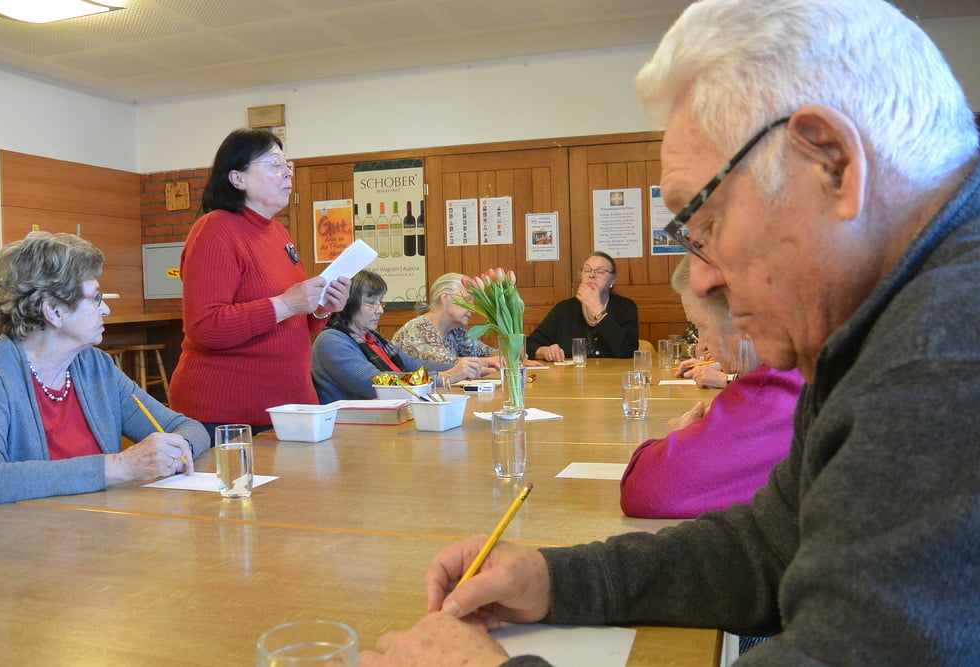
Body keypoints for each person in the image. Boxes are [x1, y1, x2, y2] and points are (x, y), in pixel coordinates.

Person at [359, 0, 980, 664]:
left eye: (705, 225)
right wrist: (558, 579)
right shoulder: (881, 319)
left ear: (831, 163)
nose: (702, 280)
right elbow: (769, 545)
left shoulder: (942, 352)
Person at [0, 232, 208, 510]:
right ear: (54, 311)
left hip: (102, 528)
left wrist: (178, 450)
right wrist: (120, 467)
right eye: (96, 298)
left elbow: (189, 428)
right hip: (27, 533)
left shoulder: (95, 366)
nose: (106, 309)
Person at [168, 129, 350, 438]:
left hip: (287, 407)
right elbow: (205, 327)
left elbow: (295, 324)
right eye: (274, 164)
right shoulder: (215, 230)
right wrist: (285, 304)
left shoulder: (277, 232)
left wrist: (322, 307)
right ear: (238, 179)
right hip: (228, 416)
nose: (288, 172)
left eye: (286, 163)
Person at [620, 257, 802, 518]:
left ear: (746, 317)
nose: (701, 345)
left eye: (702, 327)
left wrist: (678, 441)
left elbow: (643, 489)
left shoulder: (774, 386)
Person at [311, 271, 483, 402]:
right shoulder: (331, 341)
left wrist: (462, 367)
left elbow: (413, 365)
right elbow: (378, 383)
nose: (380, 310)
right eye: (371, 303)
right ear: (348, 304)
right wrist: (444, 378)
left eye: (380, 302)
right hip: (351, 427)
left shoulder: (372, 337)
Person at [526, 251, 638, 361]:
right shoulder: (564, 308)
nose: (592, 275)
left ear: (612, 280)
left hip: (613, 373)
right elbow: (530, 345)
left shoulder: (625, 307)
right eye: (587, 270)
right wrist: (544, 351)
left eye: (600, 272)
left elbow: (628, 350)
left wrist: (597, 308)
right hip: (571, 373)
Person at [391, 272, 499, 370]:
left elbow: (487, 353)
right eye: (467, 300)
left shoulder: (455, 331)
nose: (472, 309)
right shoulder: (418, 329)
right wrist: (487, 362)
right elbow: (441, 365)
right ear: (445, 297)